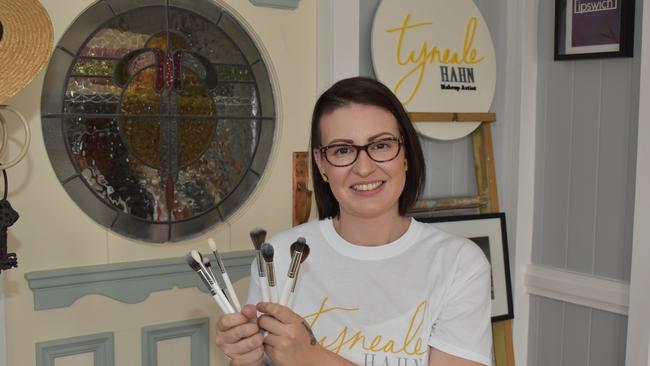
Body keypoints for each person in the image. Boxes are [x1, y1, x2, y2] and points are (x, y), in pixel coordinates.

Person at [215, 77, 493, 366]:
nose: (363, 168)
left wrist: (311, 357)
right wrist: (244, 358)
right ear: (321, 163)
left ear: (406, 153)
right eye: (343, 150)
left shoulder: (458, 263)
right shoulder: (281, 256)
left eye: (382, 145)